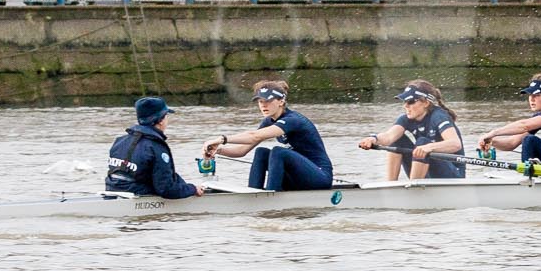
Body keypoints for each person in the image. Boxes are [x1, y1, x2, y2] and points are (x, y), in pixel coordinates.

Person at [206, 78, 335, 190]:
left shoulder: (293, 120)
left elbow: (253, 135)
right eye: (260, 101)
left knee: (278, 151)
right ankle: (254, 194)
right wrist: (218, 150)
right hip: (298, 177)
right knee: (261, 152)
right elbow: (241, 151)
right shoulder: (268, 121)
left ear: (281, 101)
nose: (263, 105)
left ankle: (271, 195)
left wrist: (222, 139)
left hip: (319, 177)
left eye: (268, 101)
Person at [359, 80, 466, 180]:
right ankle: (390, 186)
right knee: (396, 141)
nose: (405, 106)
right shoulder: (406, 118)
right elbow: (388, 137)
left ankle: (414, 188)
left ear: (425, 103)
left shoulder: (439, 116)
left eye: (411, 101)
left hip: (452, 174)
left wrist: (428, 147)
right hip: (426, 169)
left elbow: (455, 144)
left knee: (422, 142)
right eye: (405, 101)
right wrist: (373, 139)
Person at [105, 95, 205, 199]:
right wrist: (192, 189)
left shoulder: (119, 141)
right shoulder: (156, 147)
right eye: (166, 116)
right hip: (137, 197)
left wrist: (186, 186)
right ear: (161, 120)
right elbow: (166, 190)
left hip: (111, 191)